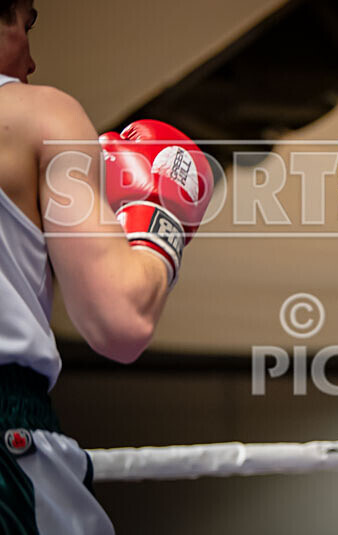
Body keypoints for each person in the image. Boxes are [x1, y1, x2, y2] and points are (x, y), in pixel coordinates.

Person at [0, 1, 213, 532]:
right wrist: (159, 216)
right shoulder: (37, 115)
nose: (32, 62)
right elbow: (120, 322)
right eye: (26, 26)